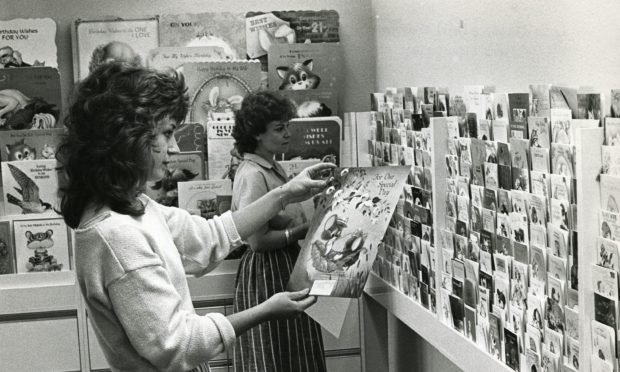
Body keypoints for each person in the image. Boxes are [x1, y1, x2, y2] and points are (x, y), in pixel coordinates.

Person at [56, 62, 335, 372]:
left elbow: (208, 237)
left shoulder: (135, 207)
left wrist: (286, 193)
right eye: (166, 133)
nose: (174, 147)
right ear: (126, 137)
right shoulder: (116, 235)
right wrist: (266, 311)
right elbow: (178, 346)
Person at [230, 90, 327, 372]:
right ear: (257, 133)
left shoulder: (273, 166)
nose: (287, 134)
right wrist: (302, 231)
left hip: (285, 264)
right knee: (272, 352)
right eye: (279, 128)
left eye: (288, 126)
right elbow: (257, 241)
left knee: (295, 348)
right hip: (266, 271)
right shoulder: (252, 173)